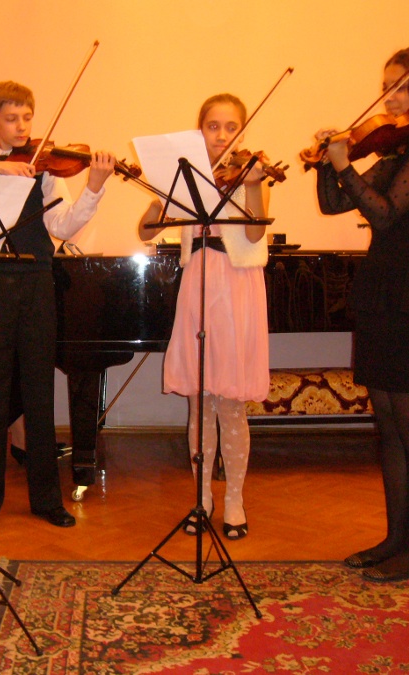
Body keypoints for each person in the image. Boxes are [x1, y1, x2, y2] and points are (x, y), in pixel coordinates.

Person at [312, 45, 409, 582]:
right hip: (384, 288)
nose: (388, 97)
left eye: (399, 86)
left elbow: (385, 214)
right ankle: (395, 540)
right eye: (386, 87)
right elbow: (335, 204)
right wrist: (326, 164)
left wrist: (344, 164)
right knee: (388, 422)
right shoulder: (399, 147)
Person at [0, 80, 116, 536]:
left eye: (27, 118)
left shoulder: (46, 171)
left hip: (37, 285)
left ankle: (46, 499)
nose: (22, 127)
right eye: (11, 119)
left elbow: (64, 227)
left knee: (39, 393)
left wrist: (93, 186)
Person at [139, 93, 270, 541]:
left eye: (231, 127)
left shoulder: (250, 173)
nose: (222, 135)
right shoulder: (188, 177)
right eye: (213, 126)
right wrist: (160, 193)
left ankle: (234, 499)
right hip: (197, 285)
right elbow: (146, 229)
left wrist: (254, 185)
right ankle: (202, 498)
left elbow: (255, 232)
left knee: (230, 403)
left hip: (236, 286)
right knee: (199, 401)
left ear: (242, 131)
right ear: (200, 131)